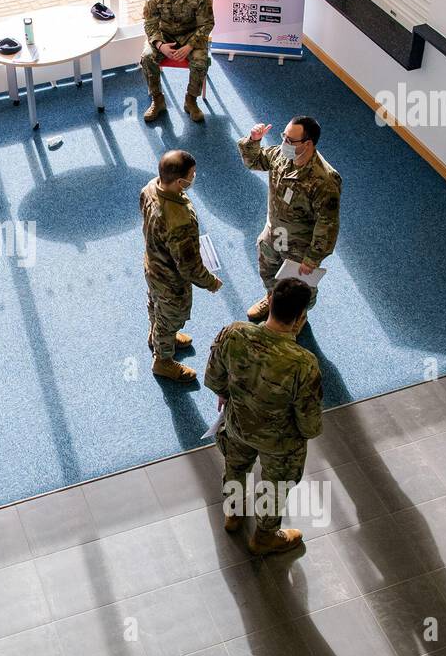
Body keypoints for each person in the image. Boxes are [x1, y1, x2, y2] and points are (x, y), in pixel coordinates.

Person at [204, 278, 322, 556]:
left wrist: (226, 393)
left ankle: (233, 514)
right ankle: (265, 537)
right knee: (275, 485)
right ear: (300, 317)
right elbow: (310, 424)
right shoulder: (303, 363)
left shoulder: (233, 334)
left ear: (269, 301)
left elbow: (213, 378)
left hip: (236, 426)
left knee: (235, 467)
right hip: (279, 443)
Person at [237, 116, 341, 326]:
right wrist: (253, 140)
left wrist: (312, 258)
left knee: (298, 288)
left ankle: (298, 316)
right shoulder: (281, 155)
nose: (284, 142)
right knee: (268, 271)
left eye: (290, 140)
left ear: (308, 144)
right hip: (274, 232)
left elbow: (327, 225)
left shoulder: (325, 180)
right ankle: (272, 300)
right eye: (283, 136)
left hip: (299, 246)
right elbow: (254, 162)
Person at [140, 150, 223, 383]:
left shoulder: (150, 187)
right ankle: (163, 361)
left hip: (152, 265)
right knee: (170, 318)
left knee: (155, 304)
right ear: (179, 182)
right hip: (171, 280)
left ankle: (155, 334)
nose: (194, 177)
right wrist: (211, 282)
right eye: (192, 175)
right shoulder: (178, 218)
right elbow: (189, 267)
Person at [140, 0, 215, 124]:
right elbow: (149, 24)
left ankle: (191, 100)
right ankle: (157, 100)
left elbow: (206, 24)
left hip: (191, 37)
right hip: (164, 36)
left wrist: (190, 46)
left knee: (201, 61)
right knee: (146, 57)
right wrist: (160, 45)